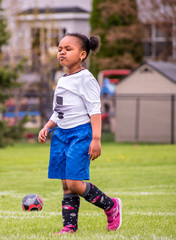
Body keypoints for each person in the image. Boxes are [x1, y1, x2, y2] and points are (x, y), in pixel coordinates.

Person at [38, 33, 122, 234]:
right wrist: (48, 126)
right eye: (60, 49)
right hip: (61, 135)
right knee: (66, 183)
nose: (62, 52)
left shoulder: (86, 78)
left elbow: (95, 110)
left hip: (81, 134)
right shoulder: (62, 79)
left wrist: (96, 139)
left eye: (68, 49)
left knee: (75, 183)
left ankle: (110, 205)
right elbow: (60, 111)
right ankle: (69, 226)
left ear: (82, 54)